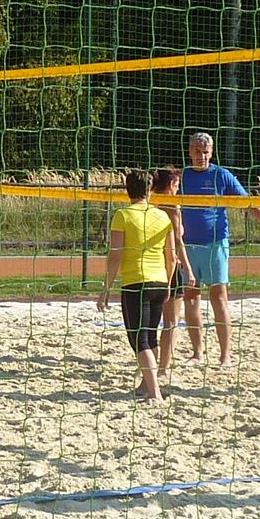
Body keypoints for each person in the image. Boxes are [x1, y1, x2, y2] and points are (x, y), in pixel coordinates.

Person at [179, 132, 260, 367]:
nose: (202, 156)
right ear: (190, 152)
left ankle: (225, 356)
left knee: (218, 297)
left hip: (215, 244)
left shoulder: (221, 175)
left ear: (211, 152)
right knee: (190, 298)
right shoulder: (182, 177)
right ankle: (197, 354)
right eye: (197, 151)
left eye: (206, 152)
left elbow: (248, 203)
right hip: (187, 245)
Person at [97, 169, 176, 402]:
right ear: (150, 189)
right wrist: (168, 283)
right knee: (150, 337)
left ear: (127, 190)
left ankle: (154, 393)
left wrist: (105, 288)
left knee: (139, 341)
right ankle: (145, 385)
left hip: (136, 283)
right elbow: (171, 256)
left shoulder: (122, 215)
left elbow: (116, 255)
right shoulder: (162, 216)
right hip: (159, 281)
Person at [151, 166, 196, 383]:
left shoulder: (148, 203)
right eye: (177, 185)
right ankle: (162, 369)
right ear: (171, 185)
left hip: (150, 266)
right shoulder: (172, 207)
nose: (178, 189)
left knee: (149, 322)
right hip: (169, 266)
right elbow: (178, 242)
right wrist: (188, 268)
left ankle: (150, 366)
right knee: (170, 322)